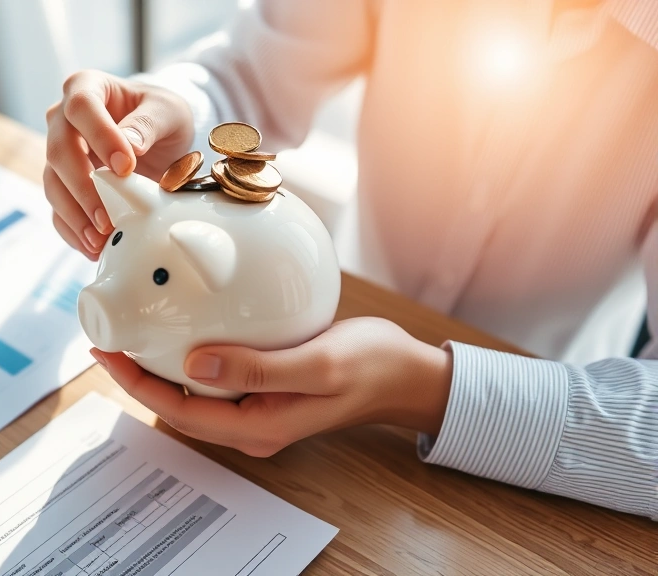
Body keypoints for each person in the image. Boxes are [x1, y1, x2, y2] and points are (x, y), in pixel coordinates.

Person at [43, 0, 657, 520]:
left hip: (552, 421)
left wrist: (426, 390)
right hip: (338, 330)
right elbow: (254, 70)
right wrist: (167, 110)